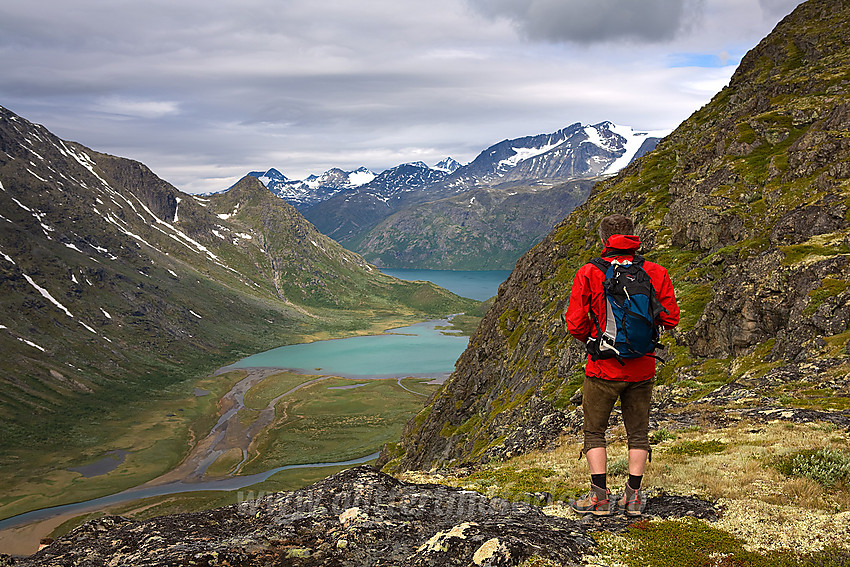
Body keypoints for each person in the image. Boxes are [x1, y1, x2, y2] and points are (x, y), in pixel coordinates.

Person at [564, 214, 679, 516]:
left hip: (602, 368)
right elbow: (671, 318)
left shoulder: (589, 272)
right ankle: (634, 498)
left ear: (603, 240)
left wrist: (595, 338)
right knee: (638, 433)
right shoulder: (655, 272)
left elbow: (575, 323)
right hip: (642, 368)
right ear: (633, 237)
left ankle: (599, 499)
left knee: (594, 432)